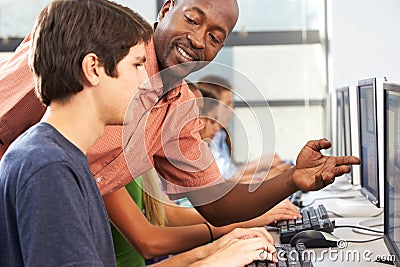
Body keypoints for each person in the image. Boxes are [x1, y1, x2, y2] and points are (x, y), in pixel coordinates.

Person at [0, 0, 359, 253]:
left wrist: (293, 178)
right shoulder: (94, 45)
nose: (200, 40)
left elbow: (215, 203)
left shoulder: (179, 107)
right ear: (167, 8)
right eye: (193, 19)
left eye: (216, 37)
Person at [0, 0, 151, 265]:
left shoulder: (56, 154)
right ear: (93, 69)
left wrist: (210, 256)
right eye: (137, 66)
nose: (145, 82)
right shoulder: (49, 165)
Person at [196, 76, 293, 183]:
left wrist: (261, 166)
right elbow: (226, 180)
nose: (232, 109)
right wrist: (264, 176)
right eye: (227, 104)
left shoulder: (220, 135)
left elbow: (229, 173)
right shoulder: (204, 143)